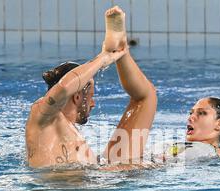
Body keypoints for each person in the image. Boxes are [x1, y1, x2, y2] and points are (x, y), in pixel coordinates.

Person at [25, 6, 157, 168]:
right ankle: (114, 50)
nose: (93, 103)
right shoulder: (41, 114)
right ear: (77, 96)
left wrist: (117, 54)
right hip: (76, 188)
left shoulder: (71, 134)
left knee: (146, 98)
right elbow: (65, 88)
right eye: (91, 96)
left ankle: (121, 50)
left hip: (96, 178)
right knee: (133, 167)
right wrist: (103, 57)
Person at [162, 97, 220, 162]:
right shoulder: (179, 146)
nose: (190, 118)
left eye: (202, 113)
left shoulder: (207, 151)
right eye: (191, 113)